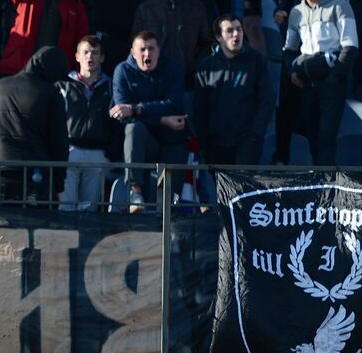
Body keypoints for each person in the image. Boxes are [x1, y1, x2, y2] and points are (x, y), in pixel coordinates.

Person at [281, 0, 360, 167]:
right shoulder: (296, 12)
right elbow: (289, 50)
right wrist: (292, 72)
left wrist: (334, 78)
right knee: (312, 135)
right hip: (307, 81)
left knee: (326, 136)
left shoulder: (340, 5)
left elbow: (350, 47)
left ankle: (327, 184)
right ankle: (318, 181)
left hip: (332, 79)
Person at [0, 46, 71, 203]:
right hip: (37, 175)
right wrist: (58, 185)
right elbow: (59, 143)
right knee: (38, 226)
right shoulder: (51, 93)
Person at [111, 30, 188, 210]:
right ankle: (135, 192)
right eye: (142, 49)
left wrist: (136, 109)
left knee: (167, 205)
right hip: (143, 140)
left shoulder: (173, 68)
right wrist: (162, 119)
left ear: (159, 51)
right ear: (133, 52)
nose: (147, 54)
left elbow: (173, 105)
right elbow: (122, 115)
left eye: (151, 49)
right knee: (133, 129)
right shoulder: (123, 71)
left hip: (172, 139)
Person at [194, 14, 273, 169]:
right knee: (222, 190)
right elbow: (200, 108)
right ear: (219, 37)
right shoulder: (207, 67)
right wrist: (203, 141)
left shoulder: (257, 61)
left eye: (239, 29)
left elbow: (267, 100)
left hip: (247, 139)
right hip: (215, 142)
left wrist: (256, 134)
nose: (236, 34)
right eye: (229, 31)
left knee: (241, 189)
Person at [57, 35, 120, 210]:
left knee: (89, 211)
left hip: (98, 154)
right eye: (85, 52)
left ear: (102, 57)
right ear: (77, 56)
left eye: (94, 52)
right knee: (66, 208)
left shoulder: (111, 87)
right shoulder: (63, 85)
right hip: (69, 151)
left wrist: (110, 155)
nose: (89, 57)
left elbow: (117, 124)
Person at [132, 0, 211, 79]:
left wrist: (196, 67)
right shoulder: (146, 9)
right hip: (154, 78)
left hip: (187, 79)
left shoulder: (196, 9)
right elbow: (135, 43)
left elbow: (206, 43)